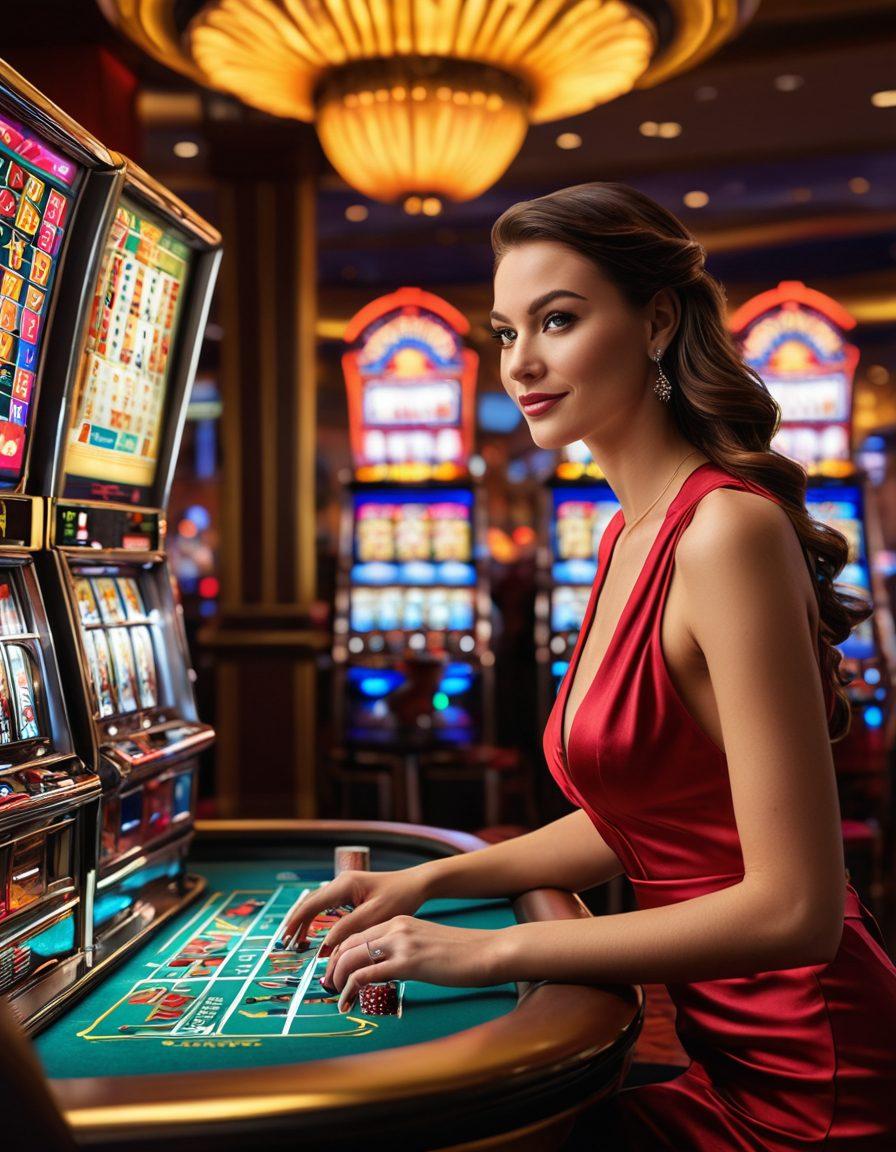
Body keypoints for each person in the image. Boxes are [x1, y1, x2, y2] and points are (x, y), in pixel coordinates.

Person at [282, 183, 896, 1149]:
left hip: (812, 1084)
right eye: (504, 330)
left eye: (558, 320)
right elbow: (643, 819)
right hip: (724, 1058)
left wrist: (492, 949)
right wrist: (433, 883)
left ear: (655, 322)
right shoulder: (625, 535)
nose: (521, 361)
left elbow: (799, 911)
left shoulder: (724, 530)